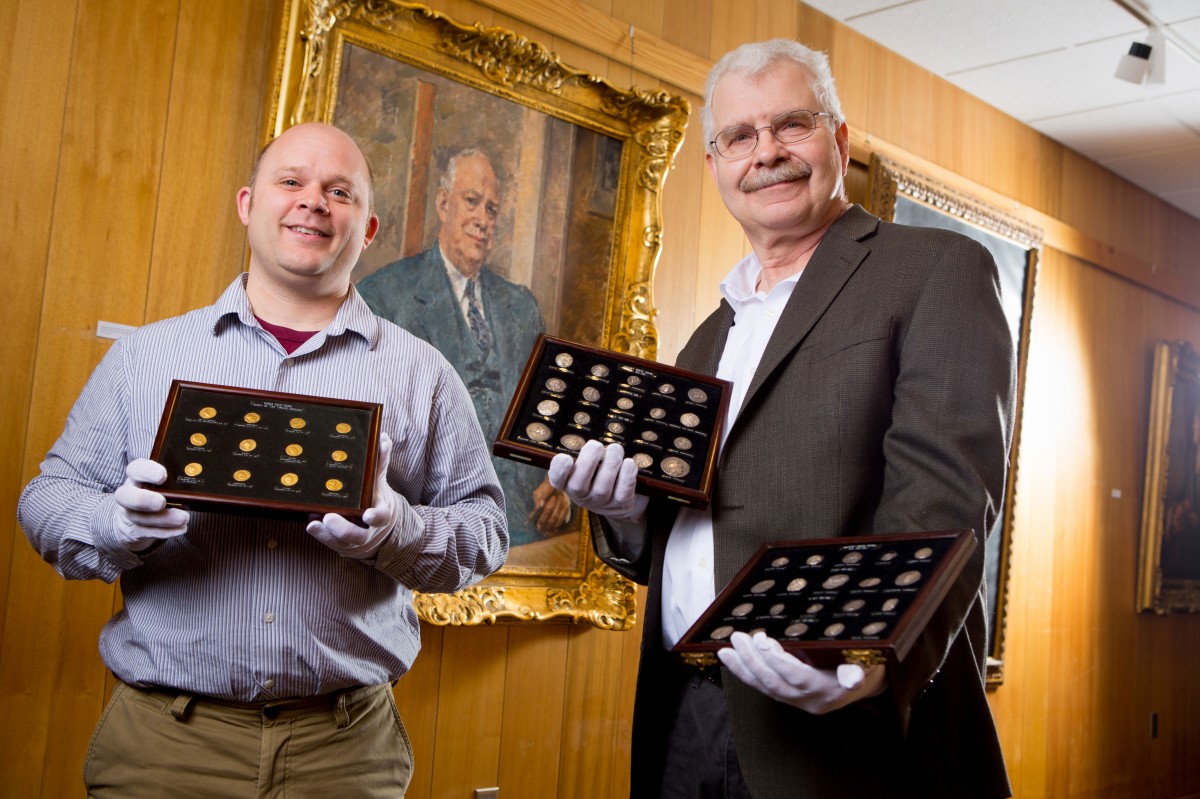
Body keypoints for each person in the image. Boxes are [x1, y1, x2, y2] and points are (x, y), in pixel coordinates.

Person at [548, 39, 1015, 799]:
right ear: (715, 167)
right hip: (684, 714)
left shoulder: (935, 270)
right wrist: (628, 514)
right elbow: (684, 534)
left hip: (845, 724)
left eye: (791, 125)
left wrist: (870, 660)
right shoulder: (706, 336)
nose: (766, 153)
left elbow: (945, 499)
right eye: (739, 136)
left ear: (838, 141)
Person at [17, 122, 508, 798]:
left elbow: (485, 532)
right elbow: (46, 498)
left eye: (340, 191)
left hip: (345, 753)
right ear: (249, 205)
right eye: (292, 181)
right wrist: (114, 522)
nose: (314, 201)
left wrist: (396, 527)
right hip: (165, 746)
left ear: (366, 229)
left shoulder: (422, 373)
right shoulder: (145, 357)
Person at [358, 148, 570, 548]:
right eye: (472, 202)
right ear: (443, 202)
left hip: (527, 529)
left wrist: (560, 485)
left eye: (491, 209)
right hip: (431, 533)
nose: (483, 220)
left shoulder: (520, 305)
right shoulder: (384, 296)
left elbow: (553, 412)